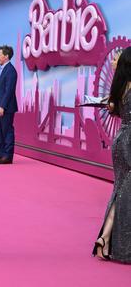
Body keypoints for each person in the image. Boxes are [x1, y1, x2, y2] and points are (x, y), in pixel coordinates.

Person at [93, 46, 131, 263]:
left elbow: (115, 111)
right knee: (125, 190)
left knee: (120, 188)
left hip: (120, 139)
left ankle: (105, 238)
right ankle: (116, 243)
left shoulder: (120, 87)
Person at [0, 45, 18, 164]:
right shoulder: (4, 69)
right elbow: (1, 90)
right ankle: (0, 153)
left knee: (7, 131)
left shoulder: (11, 70)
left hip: (6, 108)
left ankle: (8, 156)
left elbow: (9, 91)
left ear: (6, 56)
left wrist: (2, 106)